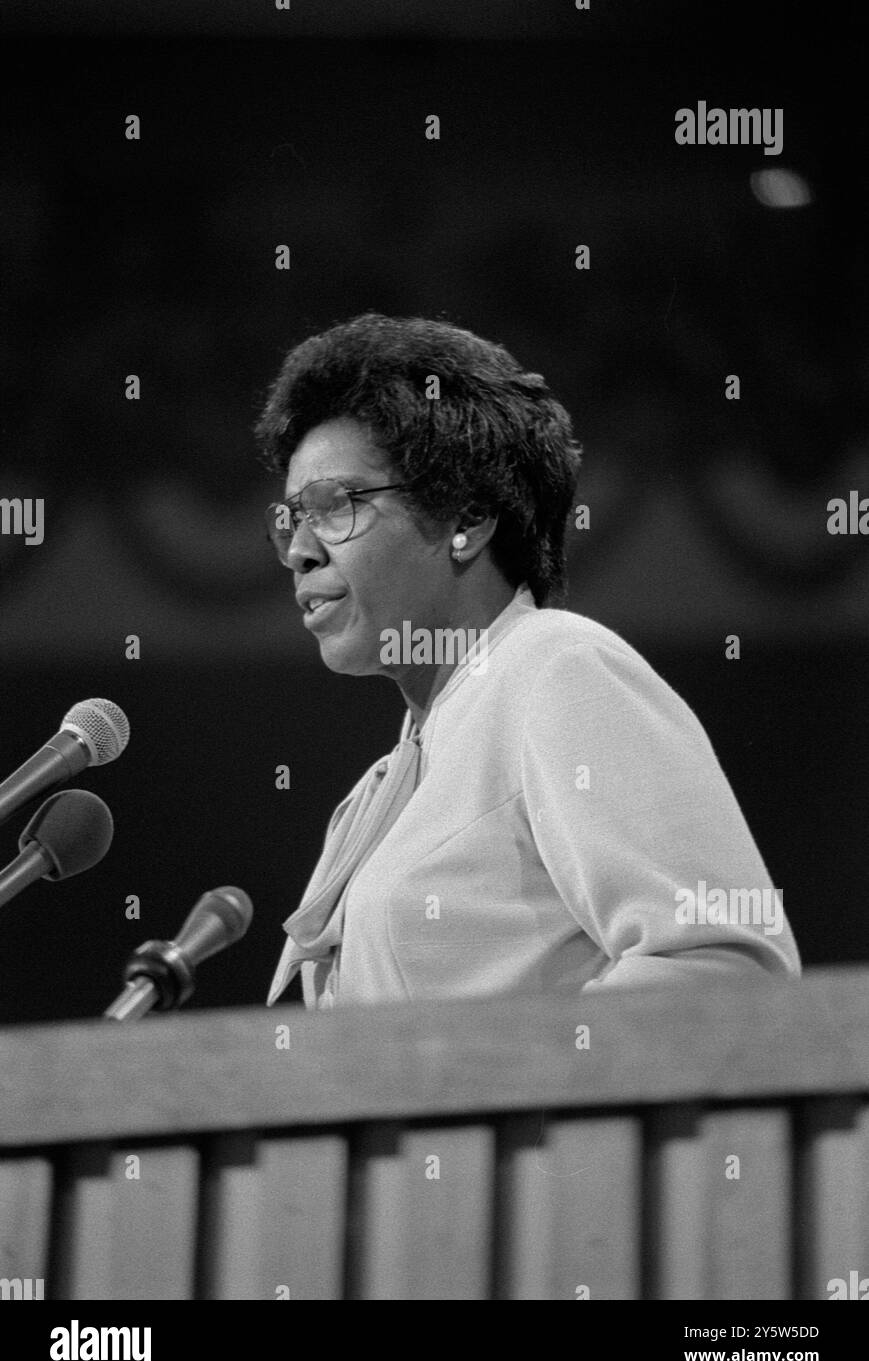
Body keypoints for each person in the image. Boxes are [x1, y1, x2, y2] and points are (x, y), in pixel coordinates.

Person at [255, 312, 800, 1009]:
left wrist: (484, 1103)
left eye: (334, 505)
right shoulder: (380, 789)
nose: (300, 549)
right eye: (289, 518)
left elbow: (721, 967)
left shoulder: (556, 669)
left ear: (466, 518)